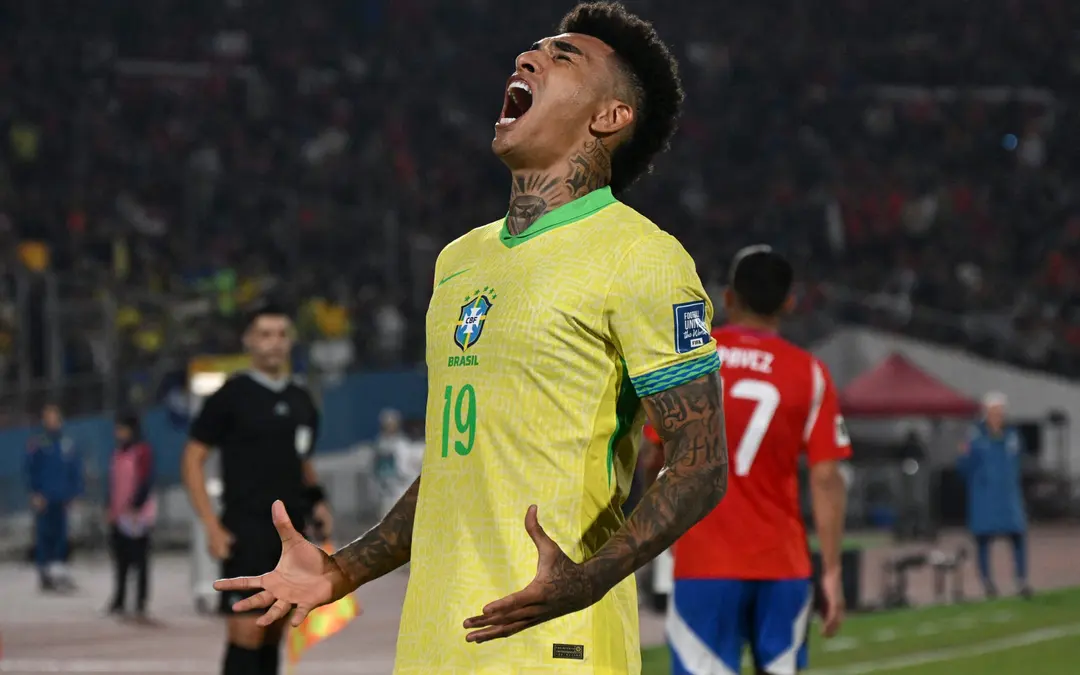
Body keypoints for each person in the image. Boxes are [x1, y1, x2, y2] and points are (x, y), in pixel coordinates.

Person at [215, 4, 729, 674]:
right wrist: (343, 570)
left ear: (609, 116)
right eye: (532, 49)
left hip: (553, 644)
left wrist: (589, 579)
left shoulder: (641, 257)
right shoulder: (459, 259)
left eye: (562, 56)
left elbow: (701, 461)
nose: (527, 58)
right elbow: (456, 465)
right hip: (435, 640)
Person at [666, 246, 851, 675]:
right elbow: (826, 478)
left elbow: (654, 453)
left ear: (728, 298)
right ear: (789, 303)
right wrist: (832, 571)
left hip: (704, 559)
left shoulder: (690, 363)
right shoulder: (810, 373)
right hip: (782, 562)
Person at [182, 303, 331, 675]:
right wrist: (211, 526)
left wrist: (319, 503)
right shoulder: (231, 396)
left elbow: (301, 461)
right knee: (247, 632)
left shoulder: (301, 400)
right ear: (248, 341)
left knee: (273, 631)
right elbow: (192, 459)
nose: (274, 342)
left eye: (281, 334)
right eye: (265, 334)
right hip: (245, 532)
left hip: (290, 537)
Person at [958, 391, 1031, 599]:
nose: (998, 415)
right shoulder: (975, 437)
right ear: (986, 412)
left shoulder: (1012, 436)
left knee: (1018, 536)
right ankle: (987, 583)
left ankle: (1021, 580)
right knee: (983, 540)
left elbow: (1020, 460)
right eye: (994, 411)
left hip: (1008, 496)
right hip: (985, 497)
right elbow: (963, 467)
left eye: (1000, 411)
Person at [25, 403, 84, 592]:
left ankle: (59, 573)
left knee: (61, 536)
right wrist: (34, 493)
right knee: (44, 536)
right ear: (44, 421)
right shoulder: (38, 444)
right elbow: (30, 470)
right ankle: (45, 575)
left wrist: (75, 493)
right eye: (48, 418)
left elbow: (75, 469)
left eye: (55, 418)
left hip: (62, 497)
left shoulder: (67, 444)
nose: (52, 422)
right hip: (44, 498)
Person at [106, 412, 157, 620]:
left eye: (121, 428)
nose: (118, 433)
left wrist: (136, 506)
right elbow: (113, 483)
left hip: (137, 516)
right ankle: (119, 600)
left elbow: (145, 480)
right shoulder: (117, 453)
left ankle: (140, 602)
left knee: (140, 561)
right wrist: (109, 507)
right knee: (120, 560)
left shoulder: (142, 451)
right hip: (119, 515)